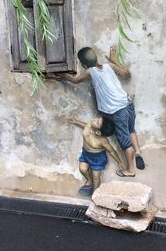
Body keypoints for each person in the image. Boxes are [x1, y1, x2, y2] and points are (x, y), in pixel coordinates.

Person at [50, 45, 145, 177]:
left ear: (83, 65)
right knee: (131, 130)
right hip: (127, 103)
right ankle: (138, 151)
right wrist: (114, 60)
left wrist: (62, 75)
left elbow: (75, 80)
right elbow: (127, 75)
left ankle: (131, 170)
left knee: (124, 142)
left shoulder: (90, 72)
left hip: (117, 111)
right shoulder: (110, 66)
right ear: (96, 57)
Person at [69, 115, 124, 196]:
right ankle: (89, 180)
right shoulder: (89, 126)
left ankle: (95, 194)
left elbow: (111, 151)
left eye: (97, 122)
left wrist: (119, 162)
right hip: (85, 154)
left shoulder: (103, 141)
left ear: (98, 132)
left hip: (97, 158)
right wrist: (76, 121)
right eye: (98, 118)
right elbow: (85, 125)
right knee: (82, 169)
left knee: (96, 177)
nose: (95, 119)